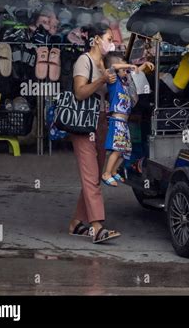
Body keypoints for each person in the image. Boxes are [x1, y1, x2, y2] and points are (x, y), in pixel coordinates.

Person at [68, 23, 121, 244]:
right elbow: (79, 93)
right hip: (83, 124)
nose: (112, 42)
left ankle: (76, 223)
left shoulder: (104, 63)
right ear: (97, 39)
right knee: (91, 175)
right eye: (109, 38)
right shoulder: (85, 61)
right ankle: (98, 227)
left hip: (100, 121)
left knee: (94, 173)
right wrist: (100, 80)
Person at [101, 52, 154, 187]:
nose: (126, 71)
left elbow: (134, 73)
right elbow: (113, 66)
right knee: (117, 148)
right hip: (117, 120)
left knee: (126, 150)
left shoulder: (125, 82)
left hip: (124, 121)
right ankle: (106, 173)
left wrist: (142, 66)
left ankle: (113, 171)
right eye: (124, 69)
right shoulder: (113, 80)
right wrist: (129, 65)